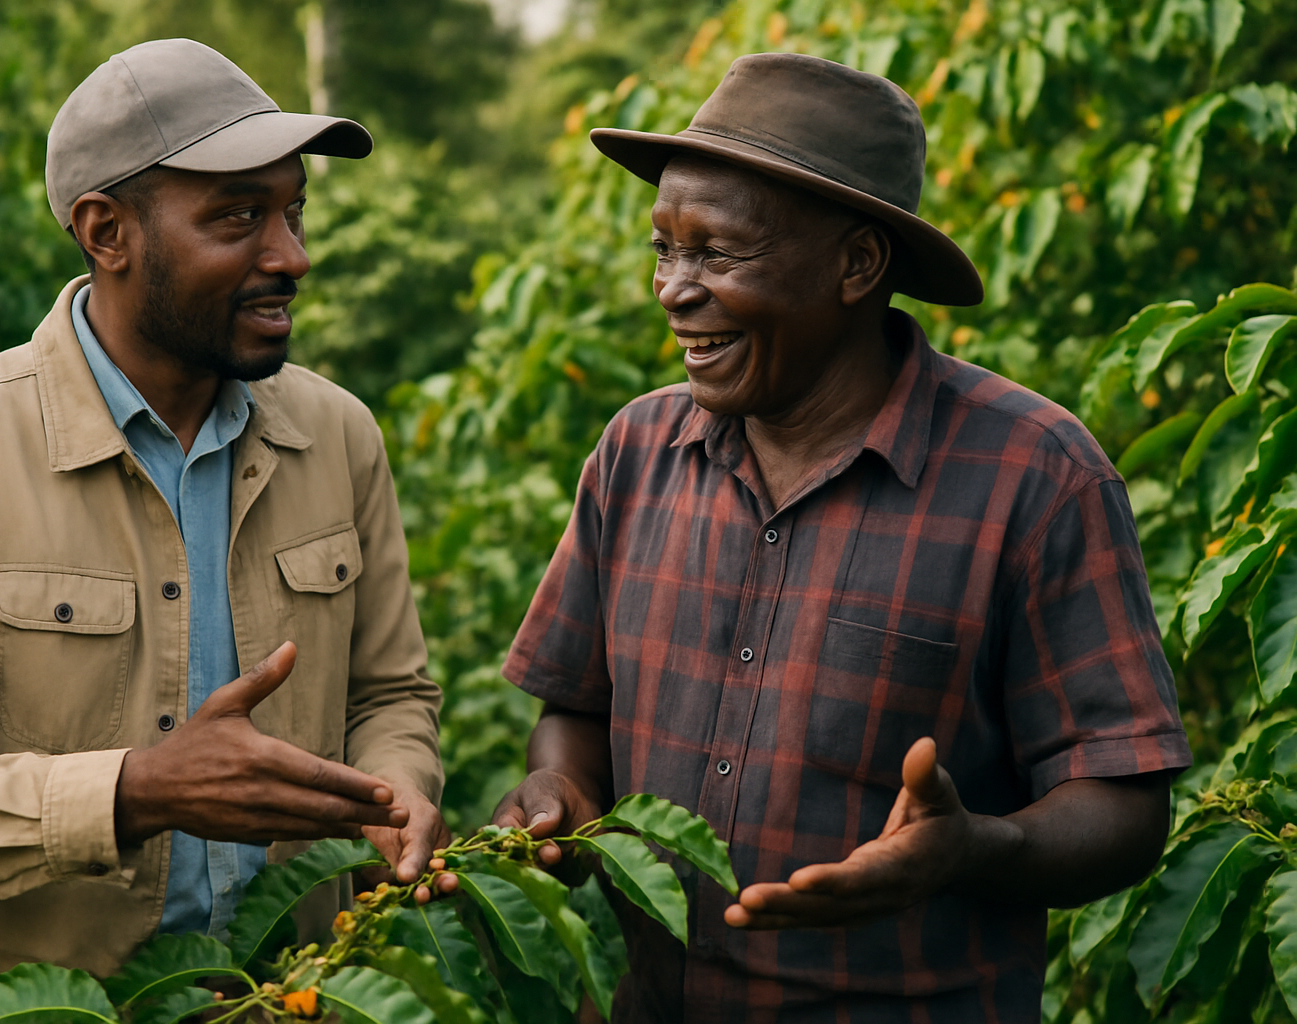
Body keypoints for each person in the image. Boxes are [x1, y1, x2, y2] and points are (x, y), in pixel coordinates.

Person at [492, 53, 1190, 1023]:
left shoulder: (1036, 476)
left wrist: (971, 850)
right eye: (664, 248)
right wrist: (560, 785)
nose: (672, 290)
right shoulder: (635, 452)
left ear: (856, 266)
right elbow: (573, 704)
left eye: (716, 254)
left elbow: (1122, 804)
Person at [0, 39, 445, 1024]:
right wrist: (135, 791)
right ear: (107, 232)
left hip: (288, 1002)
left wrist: (397, 794)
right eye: (238, 217)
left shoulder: (339, 437)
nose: (291, 256)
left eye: (293, 209)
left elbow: (389, 690)